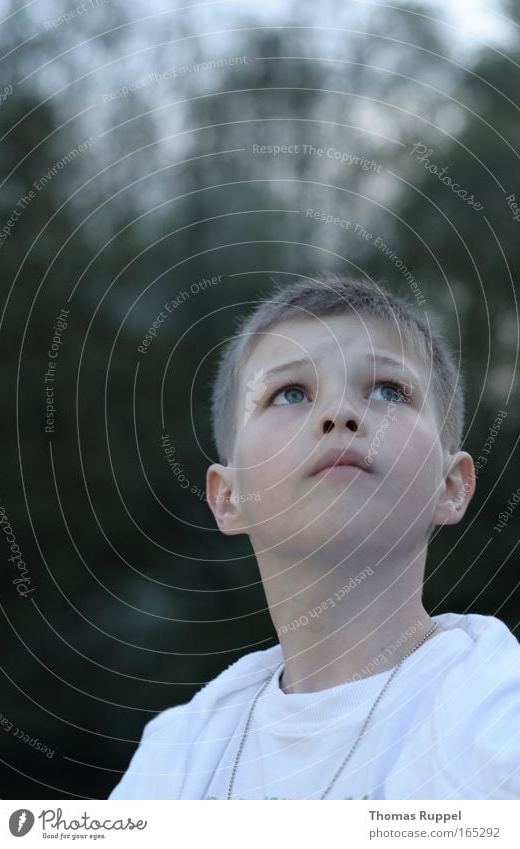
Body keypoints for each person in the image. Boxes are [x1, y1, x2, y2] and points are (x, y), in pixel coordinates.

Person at [109, 275, 520, 800]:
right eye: (291, 392)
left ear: (451, 486)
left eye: (389, 390)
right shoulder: (172, 761)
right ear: (228, 497)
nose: (339, 413)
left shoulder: (496, 718)